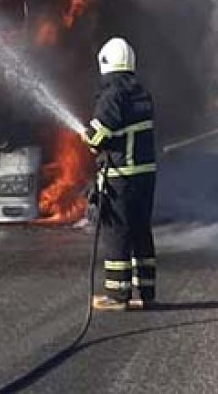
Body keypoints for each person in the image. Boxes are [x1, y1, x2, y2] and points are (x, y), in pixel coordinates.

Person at [82, 37, 157, 311]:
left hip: (121, 177)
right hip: (145, 175)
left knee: (117, 233)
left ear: (105, 63)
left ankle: (117, 296)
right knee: (141, 231)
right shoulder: (141, 93)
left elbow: (98, 135)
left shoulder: (113, 94)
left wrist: (87, 136)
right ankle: (146, 292)